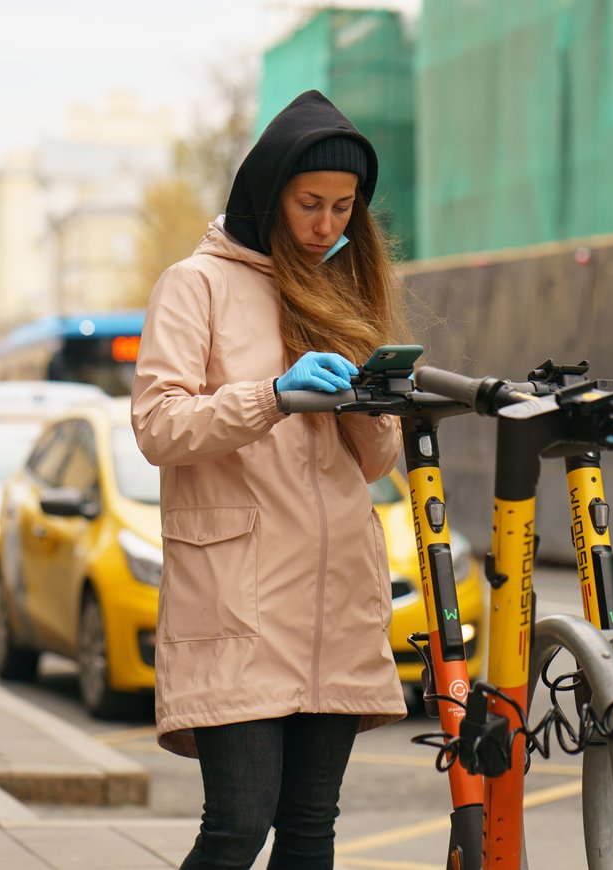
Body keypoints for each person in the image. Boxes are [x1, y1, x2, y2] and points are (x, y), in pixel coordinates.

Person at [132, 89, 410, 870]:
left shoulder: (343, 290)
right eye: (310, 203)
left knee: (310, 828)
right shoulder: (195, 285)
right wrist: (274, 396)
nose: (328, 225)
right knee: (237, 827)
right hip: (239, 603)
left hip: (334, 601)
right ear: (268, 194)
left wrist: (366, 399)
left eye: (344, 207)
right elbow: (159, 425)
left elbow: (378, 461)